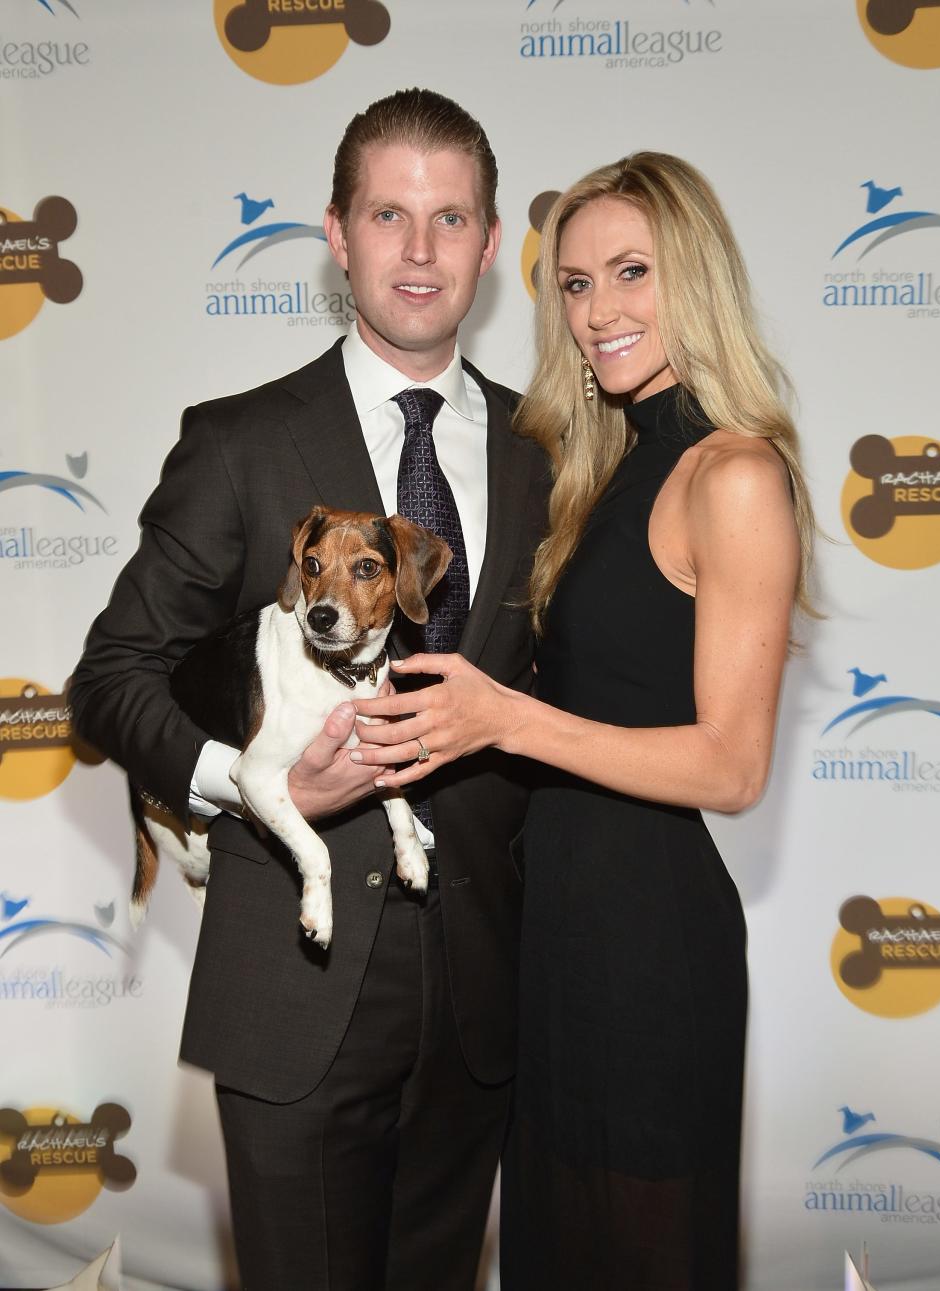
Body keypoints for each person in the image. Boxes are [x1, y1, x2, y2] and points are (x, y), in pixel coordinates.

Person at [69, 88, 549, 1291]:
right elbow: (109, 681)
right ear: (338, 233)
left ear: (493, 245)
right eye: (390, 213)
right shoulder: (238, 443)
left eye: (452, 218)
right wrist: (248, 779)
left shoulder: (550, 455)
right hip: (297, 984)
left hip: (484, 996)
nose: (422, 249)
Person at [350, 151, 815, 1290]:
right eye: (571, 283)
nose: (598, 311)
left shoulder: (735, 474)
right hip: (556, 947)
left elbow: (734, 762)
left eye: (630, 272)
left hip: (651, 952)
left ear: (693, 276)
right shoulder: (602, 469)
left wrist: (504, 717)